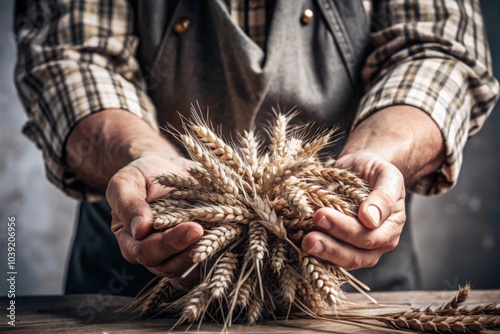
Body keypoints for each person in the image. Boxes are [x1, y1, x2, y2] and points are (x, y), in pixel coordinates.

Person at [14, 0, 498, 296]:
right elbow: (70, 55)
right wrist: (140, 156)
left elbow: (439, 49)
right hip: (135, 275)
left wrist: (378, 156)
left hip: (353, 284)